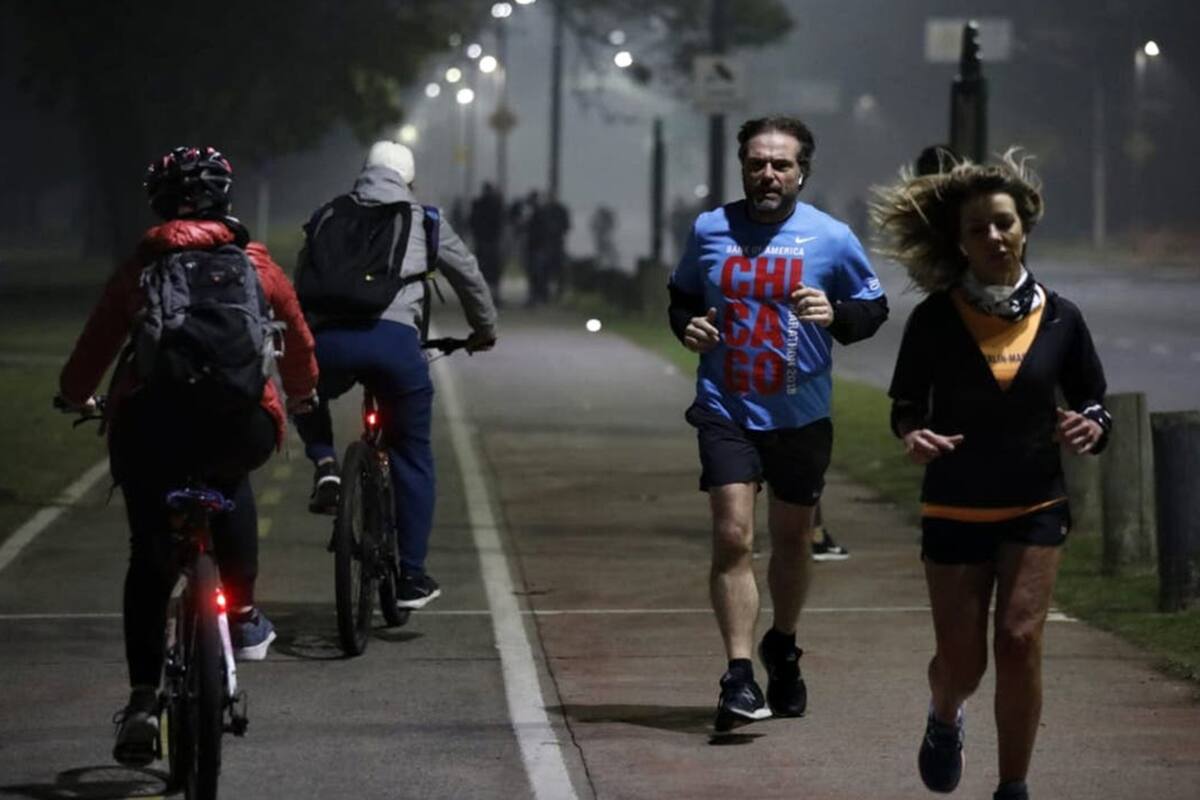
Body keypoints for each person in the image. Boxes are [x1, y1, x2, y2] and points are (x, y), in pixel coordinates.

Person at [56, 145, 319, 766]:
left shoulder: (141, 269)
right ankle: (243, 613)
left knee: (148, 557)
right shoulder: (255, 265)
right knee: (232, 480)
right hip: (239, 425)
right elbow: (299, 343)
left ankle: (143, 703)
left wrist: (75, 395)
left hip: (154, 428)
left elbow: (93, 350)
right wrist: (303, 394)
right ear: (224, 199)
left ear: (160, 204)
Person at [873, 151, 1112, 800]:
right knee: (964, 665)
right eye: (977, 229)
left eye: (1003, 223)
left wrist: (1092, 425)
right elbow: (905, 406)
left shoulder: (1061, 317)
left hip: (1036, 505)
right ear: (960, 242)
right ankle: (944, 712)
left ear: (1025, 227)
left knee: (1019, 640)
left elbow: (1093, 399)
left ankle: (1013, 785)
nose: (993, 237)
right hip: (955, 506)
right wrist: (913, 434)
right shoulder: (934, 319)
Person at [667, 115, 889, 732]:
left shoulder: (832, 236)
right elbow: (682, 297)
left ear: (801, 172)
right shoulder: (709, 229)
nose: (768, 174)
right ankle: (738, 675)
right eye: (757, 163)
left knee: (792, 541)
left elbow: (873, 309)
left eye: (781, 165)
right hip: (726, 406)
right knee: (733, 537)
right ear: (743, 167)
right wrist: (688, 326)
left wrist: (835, 312)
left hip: (800, 414)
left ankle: (782, 646)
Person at [292, 140, 497, 611]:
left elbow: (302, 282)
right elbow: (468, 276)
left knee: (307, 392)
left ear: (363, 173)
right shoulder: (425, 220)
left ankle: (325, 464)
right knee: (412, 452)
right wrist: (484, 330)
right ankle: (411, 577)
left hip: (330, 345)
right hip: (395, 348)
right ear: (409, 181)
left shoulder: (327, 215)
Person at [470, 181, 506, 304]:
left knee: (483, 271)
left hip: (482, 241)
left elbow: (472, 222)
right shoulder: (495, 204)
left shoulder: (478, 204)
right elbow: (500, 222)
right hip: (492, 241)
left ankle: (483, 296)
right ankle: (494, 296)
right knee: (493, 271)